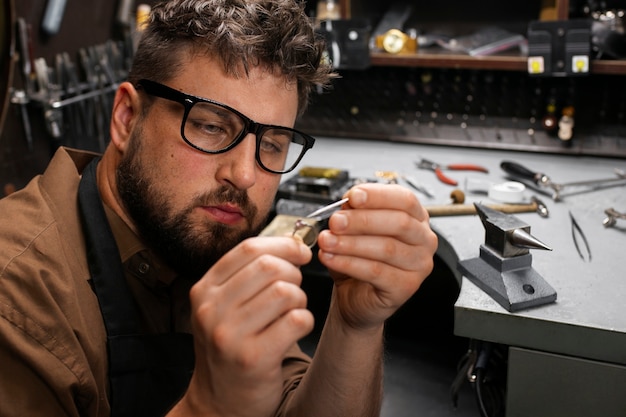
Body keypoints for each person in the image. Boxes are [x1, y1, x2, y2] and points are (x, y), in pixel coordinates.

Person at [0, 0, 438, 416]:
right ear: (127, 119)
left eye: (271, 144)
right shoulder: (16, 297)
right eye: (210, 126)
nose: (245, 175)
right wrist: (210, 408)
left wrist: (353, 325)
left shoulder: (211, 234)